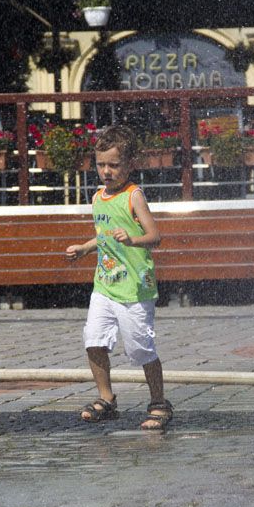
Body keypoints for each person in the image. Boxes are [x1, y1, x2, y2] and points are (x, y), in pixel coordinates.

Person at [65, 125, 173, 431]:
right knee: (94, 341)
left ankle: (159, 402)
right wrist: (85, 248)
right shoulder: (98, 196)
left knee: (141, 349)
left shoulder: (133, 195)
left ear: (130, 164)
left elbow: (155, 237)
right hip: (105, 284)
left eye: (114, 165)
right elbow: (104, 236)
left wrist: (133, 239)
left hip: (135, 288)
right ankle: (106, 399)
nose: (106, 171)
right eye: (101, 165)